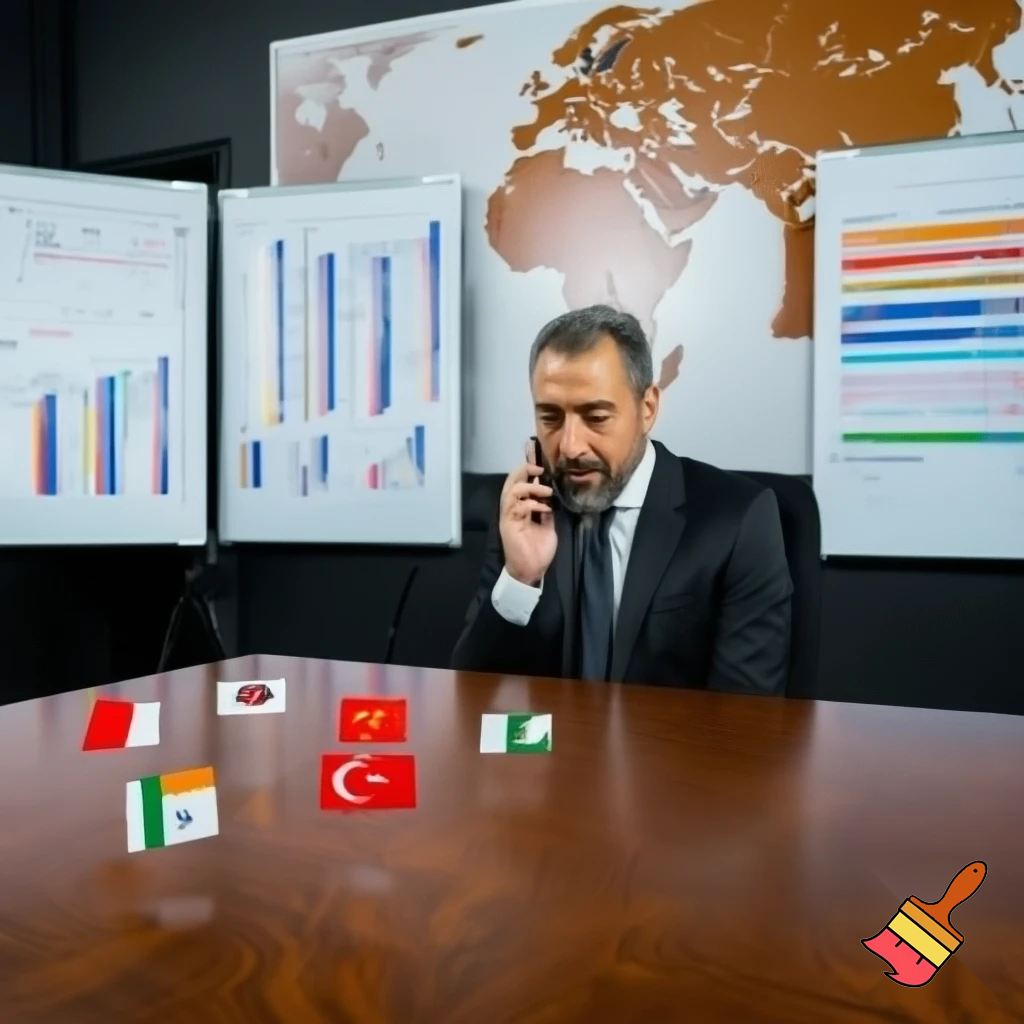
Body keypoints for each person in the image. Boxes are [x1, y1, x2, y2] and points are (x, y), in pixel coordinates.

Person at [451, 304, 793, 695]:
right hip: (552, 752)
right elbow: (473, 695)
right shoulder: (528, 509)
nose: (570, 446)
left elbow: (745, 719)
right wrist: (520, 577)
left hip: (672, 754)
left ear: (647, 408)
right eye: (550, 417)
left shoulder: (737, 520)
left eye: (596, 418)